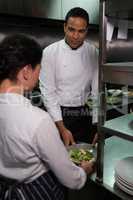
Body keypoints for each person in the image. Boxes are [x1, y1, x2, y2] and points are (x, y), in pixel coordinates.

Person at [0, 34, 94, 200]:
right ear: (26, 72)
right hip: (37, 192)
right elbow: (72, 180)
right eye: (39, 68)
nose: (39, 75)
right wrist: (85, 170)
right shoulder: (38, 120)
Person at [39, 7, 98, 145]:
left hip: (84, 114)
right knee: (59, 158)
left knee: (86, 155)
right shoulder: (49, 52)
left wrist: (98, 126)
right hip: (58, 115)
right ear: (65, 27)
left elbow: (97, 92)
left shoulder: (94, 53)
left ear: (86, 31)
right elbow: (48, 93)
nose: (75, 36)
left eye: (81, 31)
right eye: (71, 29)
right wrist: (62, 128)